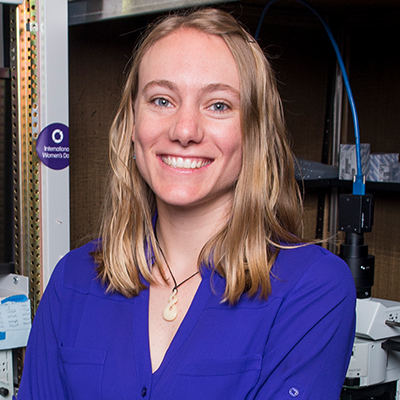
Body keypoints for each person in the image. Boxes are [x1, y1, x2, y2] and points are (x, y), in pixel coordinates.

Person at [17, 8, 356, 400]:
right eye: (162, 100)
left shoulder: (311, 289)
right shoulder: (72, 281)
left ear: (255, 130)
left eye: (218, 105)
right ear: (131, 122)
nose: (184, 130)